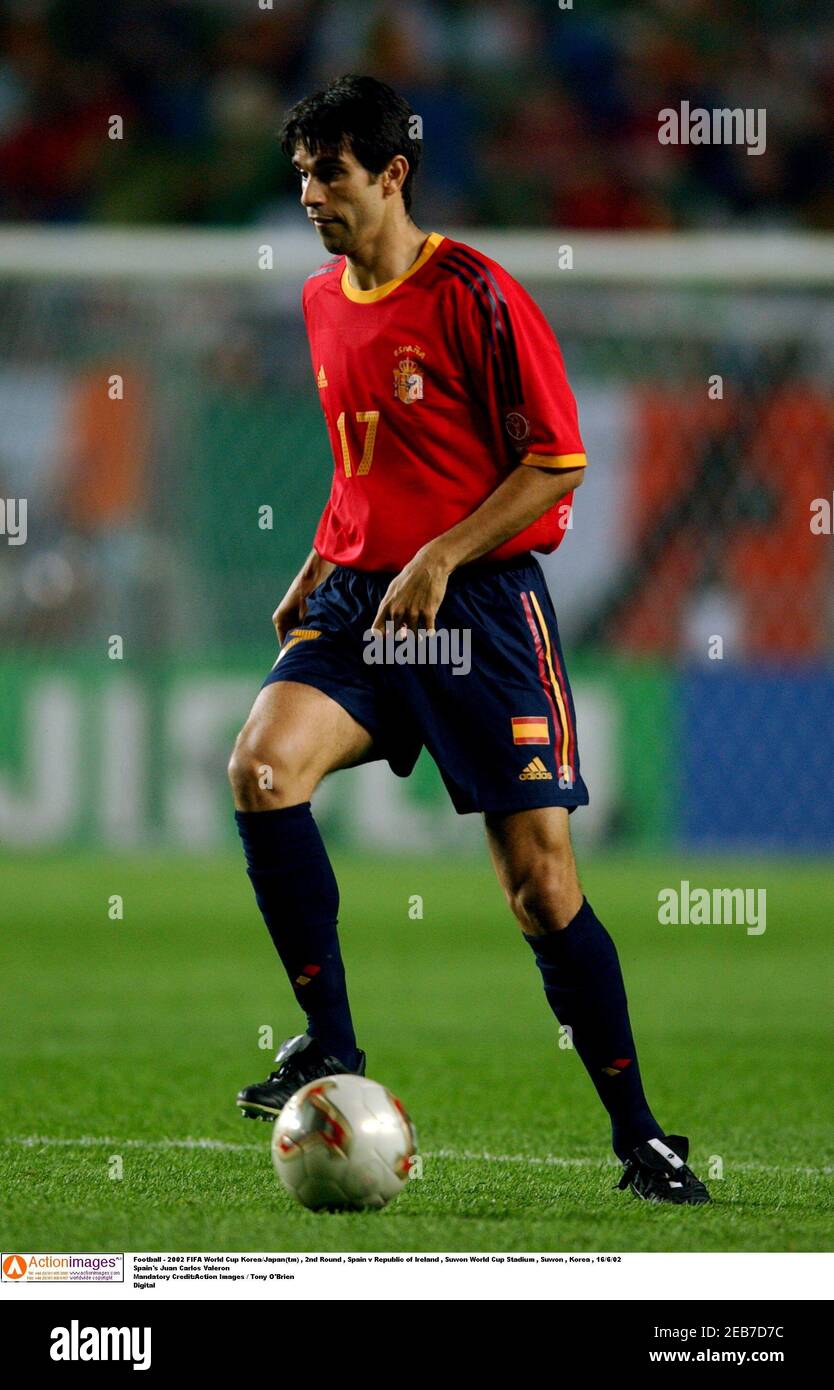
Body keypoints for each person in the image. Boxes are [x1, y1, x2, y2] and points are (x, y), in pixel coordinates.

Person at [228, 75, 709, 1205]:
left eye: (329, 173)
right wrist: (323, 551)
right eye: (300, 173)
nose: (309, 194)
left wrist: (441, 554)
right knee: (260, 765)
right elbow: (367, 460)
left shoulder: (477, 295)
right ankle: (334, 1043)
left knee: (540, 887)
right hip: (361, 601)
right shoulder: (318, 301)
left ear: (392, 172)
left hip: (477, 612)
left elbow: (556, 460)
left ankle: (639, 1133)